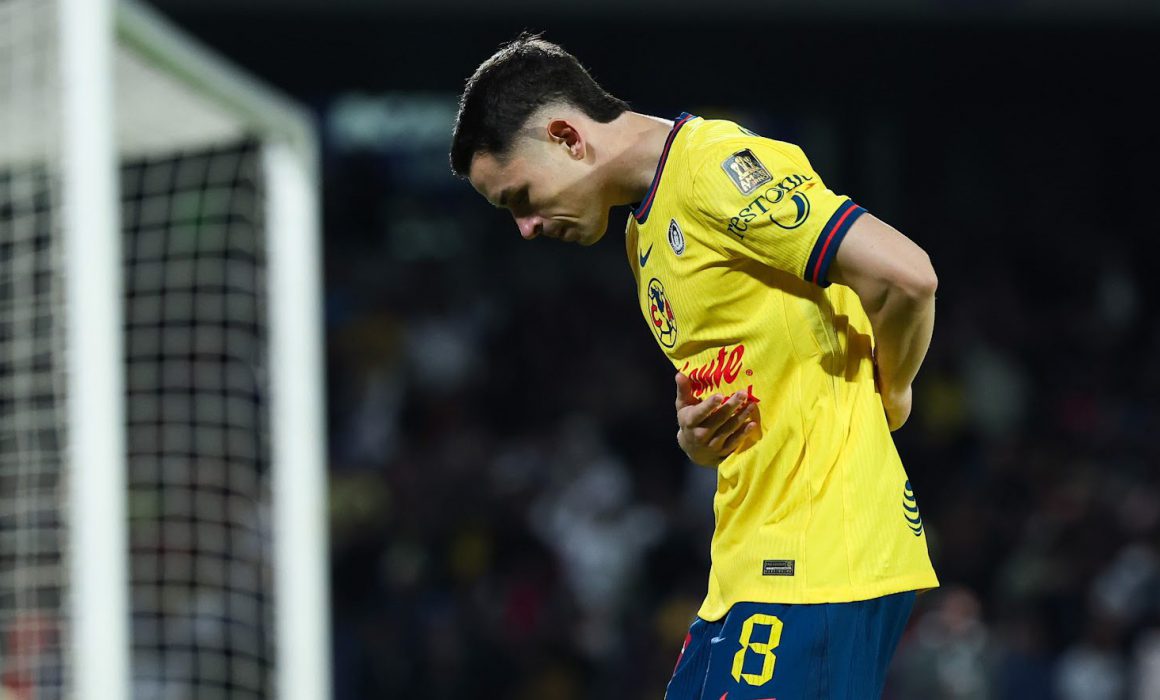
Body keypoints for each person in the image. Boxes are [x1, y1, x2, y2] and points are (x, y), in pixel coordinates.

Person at [450, 34, 940, 699]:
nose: (526, 227)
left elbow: (907, 277)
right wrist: (695, 434)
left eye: (520, 198)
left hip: (819, 557)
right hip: (747, 565)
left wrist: (897, 387)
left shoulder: (715, 167)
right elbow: (751, 365)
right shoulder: (640, 236)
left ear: (568, 136)